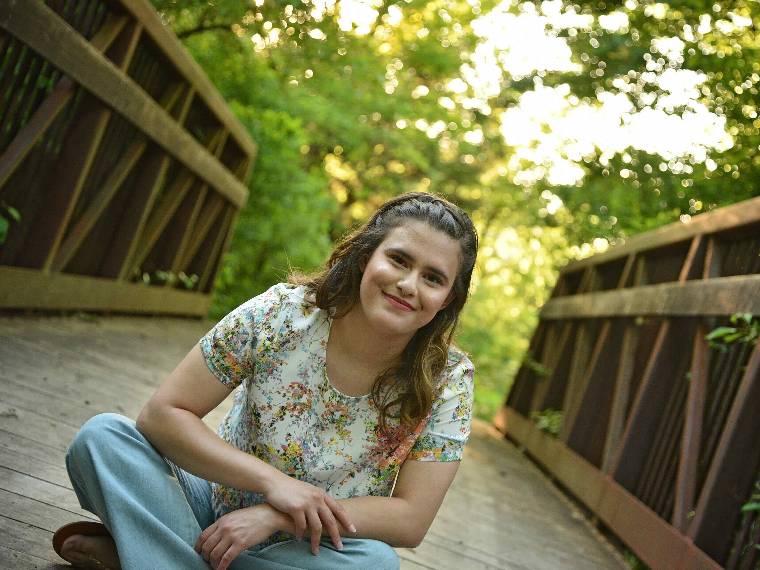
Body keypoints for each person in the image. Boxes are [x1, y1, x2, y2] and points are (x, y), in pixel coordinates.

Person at [55, 192, 478, 570]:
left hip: (308, 550)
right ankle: (174, 551)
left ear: (448, 300)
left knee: (375, 564)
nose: (408, 285)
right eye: (399, 260)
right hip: (208, 503)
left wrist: (278, 515)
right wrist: (275, 485)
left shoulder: (449, 381)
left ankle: (153, 552)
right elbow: (163, 415)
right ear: (367, 256)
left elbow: (411, 518)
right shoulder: (281, 314)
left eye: (433, 278)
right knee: (103, 438)